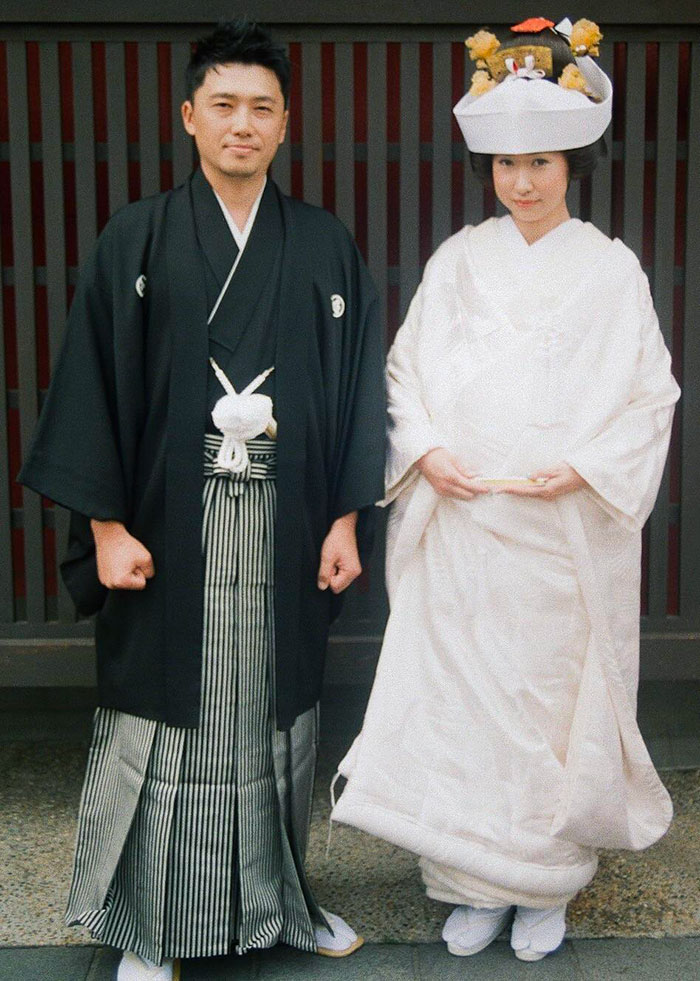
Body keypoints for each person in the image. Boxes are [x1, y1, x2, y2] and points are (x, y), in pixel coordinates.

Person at [19, 19, 384, 981]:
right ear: (189, 116)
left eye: (262, 107)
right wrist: (103, 527)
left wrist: (347, 517)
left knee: (272, 724)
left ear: (285, 123)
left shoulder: (321, 244)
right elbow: (90, 381)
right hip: (163, 531)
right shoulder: (136, 235)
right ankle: (151, 925)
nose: (242, 123)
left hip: (286, 527)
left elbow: (355, 389)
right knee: (166, 726)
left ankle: (279, 902)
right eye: (223, 104)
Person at [331, 15, 680, 964]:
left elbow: (650, 394)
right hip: (466, 519)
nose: (521, 182)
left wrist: (588, 466)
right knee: (463, 700)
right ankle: (469, 880)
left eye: (541, 163)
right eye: (506, 166)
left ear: (572, 164)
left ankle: (543, 885)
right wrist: (428, 448)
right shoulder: (459, 260)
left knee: (544, 703)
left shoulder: (611, 271)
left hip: (560, 529)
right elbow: (403, 374)